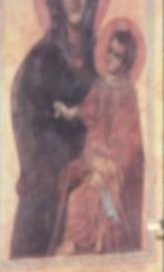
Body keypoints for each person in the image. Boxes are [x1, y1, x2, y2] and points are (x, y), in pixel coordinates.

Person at [10, 0, 99, 258]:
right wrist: (64, 168)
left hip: (96, 180)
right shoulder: (39, 61)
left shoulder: (106, 55)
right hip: (49, 192)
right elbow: (27, 128)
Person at [49, 29, 144, 255]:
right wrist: (68, 111)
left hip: (114, 164)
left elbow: (129, 137)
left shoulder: (128, 92)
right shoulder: (101, 85)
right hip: (93, 157)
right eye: (109, 52)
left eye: (118, 55)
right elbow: (87, 110)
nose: (111, 58)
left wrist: (109, 163)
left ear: (126, 62)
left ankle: (96, 242)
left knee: (92, 196)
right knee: (74, 190)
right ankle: (75, 241)